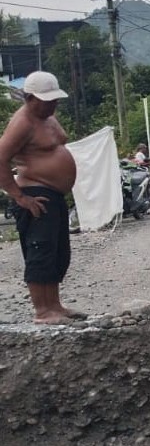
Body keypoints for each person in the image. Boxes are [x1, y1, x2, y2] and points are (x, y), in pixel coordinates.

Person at [0, 71, 83, 324]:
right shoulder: (22, 123)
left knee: (57, 252)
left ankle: (54, 305)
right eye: (47, 101)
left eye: (55, 100)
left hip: (53, 194)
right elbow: (1, 158)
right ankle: (42, 311)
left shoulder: (48, 117)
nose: (52, 104)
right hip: (35, 193)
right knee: (40, 250)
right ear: (30, 98)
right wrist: (19, 196)